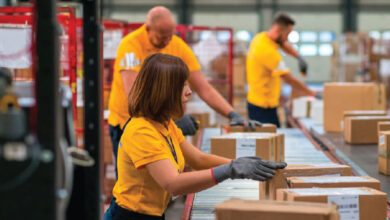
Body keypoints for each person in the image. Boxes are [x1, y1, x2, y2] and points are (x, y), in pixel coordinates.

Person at [104, 53, 287, 220]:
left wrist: (243, 165)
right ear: (164, 90)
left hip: (152, 214)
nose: (189, 91)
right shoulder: (141, 131)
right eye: (183, 85)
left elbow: (198, 159)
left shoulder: (164, 123)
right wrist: (229, 170)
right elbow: (173, 183)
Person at [108, 6, 261, 175]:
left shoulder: (176, 45)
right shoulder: (130, 46)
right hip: (127, 120)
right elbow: (135, 94)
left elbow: (204, 88)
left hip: (159, 120)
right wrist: (172, 118)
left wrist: (233, 115)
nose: (167, 42)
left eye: (170, 36)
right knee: (137, 177)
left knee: (161, 177)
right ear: (148, 28)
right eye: (162, 37)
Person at [246, 13, 320, 127]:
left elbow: (283, 44)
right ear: (278, 30)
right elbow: (290, 79)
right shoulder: (268, 52)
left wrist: (299, 57)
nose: (287, 38)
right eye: (287, 34)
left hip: (259, 102)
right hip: (263, 107)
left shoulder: (261, 37)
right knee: (270, 140)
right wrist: (313, 94)